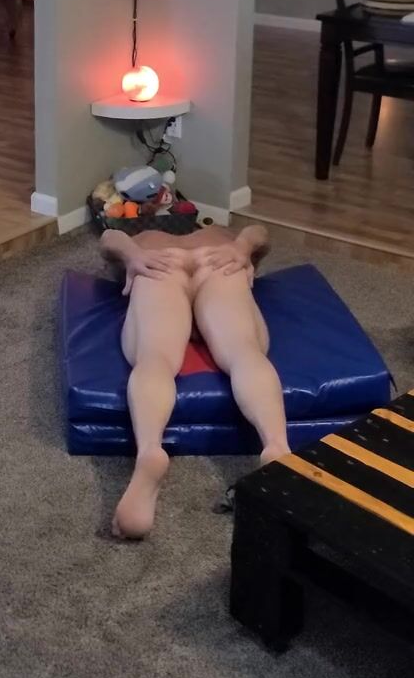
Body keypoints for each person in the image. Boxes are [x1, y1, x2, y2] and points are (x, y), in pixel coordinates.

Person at [101, 220, 289, 539]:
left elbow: (109, 237)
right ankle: (277, 445)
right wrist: (242, 246)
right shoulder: (219, 232)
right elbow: (260, 232)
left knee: (154, 356)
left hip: (159, 265)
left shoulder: (147, 237)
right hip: (218, 262)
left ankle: (150, 450)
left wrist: (133, 253)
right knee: (244, 350)